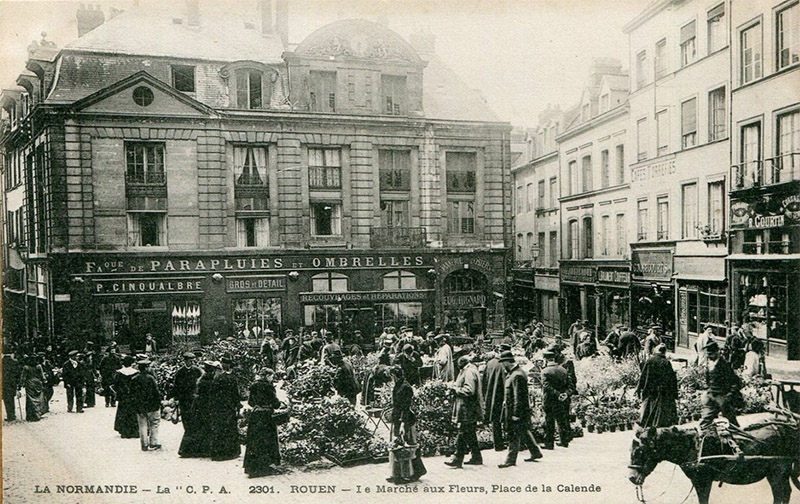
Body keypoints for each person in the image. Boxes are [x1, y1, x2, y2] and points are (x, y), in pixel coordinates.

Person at [498, 352, 543, 468]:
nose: (502, 366)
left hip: (517, 411)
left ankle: (510, 460)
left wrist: (516, 414)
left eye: (502, 363)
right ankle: (535, 452)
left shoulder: (517, 375)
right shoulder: (514, 373)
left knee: (513, 434)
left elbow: (519, 396)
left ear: (507, 362)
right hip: (518, 410)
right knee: (523, 430)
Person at [387, 366, 426, 484]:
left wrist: (403, 423)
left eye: (391, 376)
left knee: (408, 446)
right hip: (398, 418)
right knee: (398, 446)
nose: (390, 379)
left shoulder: (405, 387)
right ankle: (397, 474)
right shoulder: (399, 385)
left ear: (394, 375)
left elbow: (406, 407)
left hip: (405, 420)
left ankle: (415, 471)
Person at [445, 355, 484, 468]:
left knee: (463, 432)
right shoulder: (471, 370)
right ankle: (476, 457)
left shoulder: (468, 372)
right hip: (470, 408)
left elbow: (469, 390)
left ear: (461, 364)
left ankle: (457, 458)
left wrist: (455, 389)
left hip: (467, 408)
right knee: (470, 433)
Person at [244, 367, 283, 477]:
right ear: (266, 376)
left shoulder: (254, 385)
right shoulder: (268, 387)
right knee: (266, 441)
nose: (272, 379)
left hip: (255, 415)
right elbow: (276, 404)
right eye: (271, 376)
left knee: (255, 441)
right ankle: (264, 466)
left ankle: (253, 467)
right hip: (266, 416)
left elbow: (250, 402)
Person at [700, 340, 741, 432]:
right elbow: (708, 380)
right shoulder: (710, 364)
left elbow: (735, 381)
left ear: (717, 352)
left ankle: (738, 435)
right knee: (706, 420)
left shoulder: (724, 365)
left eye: (710, 354)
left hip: (722, 397)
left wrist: (729, 395)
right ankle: (706, 436)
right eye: (707, 354)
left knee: (731, 420)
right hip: (711, 395)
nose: (708, 356)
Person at [179, 360, 217, 457]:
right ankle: (204, 450)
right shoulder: (211, 380)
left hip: (198, 405)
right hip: (207, 405)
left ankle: (190, 450)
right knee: (206, 426)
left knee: (195, 426)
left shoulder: (201, 379)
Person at [635, 344, 678, 427]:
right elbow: (672, 379)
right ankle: (659, 425)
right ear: (664, 352)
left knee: (649, 408)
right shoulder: (666, 362)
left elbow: (643, 376)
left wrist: (639, 388)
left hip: (651, 389)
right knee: (661, 410)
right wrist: (674, 393)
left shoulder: (650, 361)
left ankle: (647, 424)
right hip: (663, 391)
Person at [209, 357, 242, 461]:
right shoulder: (231, 378)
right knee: (228, 428)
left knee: (221, 429)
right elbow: (236, 394)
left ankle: (220, 453)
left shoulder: (218, 377)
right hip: (227, 407)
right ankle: (230, 452)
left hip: (221, 407)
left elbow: (213, 394)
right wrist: (237, 406)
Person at [129, 358, 162, 451]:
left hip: (140, 406)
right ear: (146, 368)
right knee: (154, 424)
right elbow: (156, 392)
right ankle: (153, 443)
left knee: (142, 425)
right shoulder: (151, 379)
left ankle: (144, 444)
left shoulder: (134, 379)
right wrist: (159, 403)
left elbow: (131, 394)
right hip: (152, 406)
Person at [541, 350, 571, 450]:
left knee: (549, 421)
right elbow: (570, 385)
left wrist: (557, 393)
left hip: (549, 399)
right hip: (561, 399)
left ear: (546, 359)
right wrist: (565, 394)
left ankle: (549, 444)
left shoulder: (545, 371)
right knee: (561, 420)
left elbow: (546, 386)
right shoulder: (563, 370)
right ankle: (564, 441)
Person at [483, 345, 511, 451]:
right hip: (503, 395)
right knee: (508, 419)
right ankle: (511, 443)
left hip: (492, 396)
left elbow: (484, 380)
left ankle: (498, 444)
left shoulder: (490, 363)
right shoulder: (505, 364)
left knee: (495, 420)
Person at [171, 352, 201, 427]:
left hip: (193, 398)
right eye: (190, 360)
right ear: (185, 361)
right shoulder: (180, 372)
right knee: (185, 416)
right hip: (183, 398)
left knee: (194, 416)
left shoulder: (197, 371)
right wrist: (176, 398)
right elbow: (176, 386)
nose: (192, 362)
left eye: (193, 360)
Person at [113, 355, 140, 438]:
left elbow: (115, 385)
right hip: (133, 396)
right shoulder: (136, 373)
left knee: (123, 412)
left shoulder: (119, 373)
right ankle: (134, 431)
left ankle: (124, 431)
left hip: (123, 397)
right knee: (133, 413)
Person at [21, 356, 47, 422]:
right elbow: (42, 376)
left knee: (30, 400)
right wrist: (44, 381)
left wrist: (20, 385)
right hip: (38, 383)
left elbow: (23, 377)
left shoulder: (26, 367)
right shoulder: (39, 366)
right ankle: (38, 414)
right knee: (39, 399)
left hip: (29, 383)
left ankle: (31, 416)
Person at [2, 350, 22, 421]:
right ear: (11, 354)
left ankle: (10, 415)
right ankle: (12, 415)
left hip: (3, 383)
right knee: (11, 398)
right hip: (12, 383)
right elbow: (18, 373)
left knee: (6, 399)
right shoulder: (14, 362)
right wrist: (18, 384)